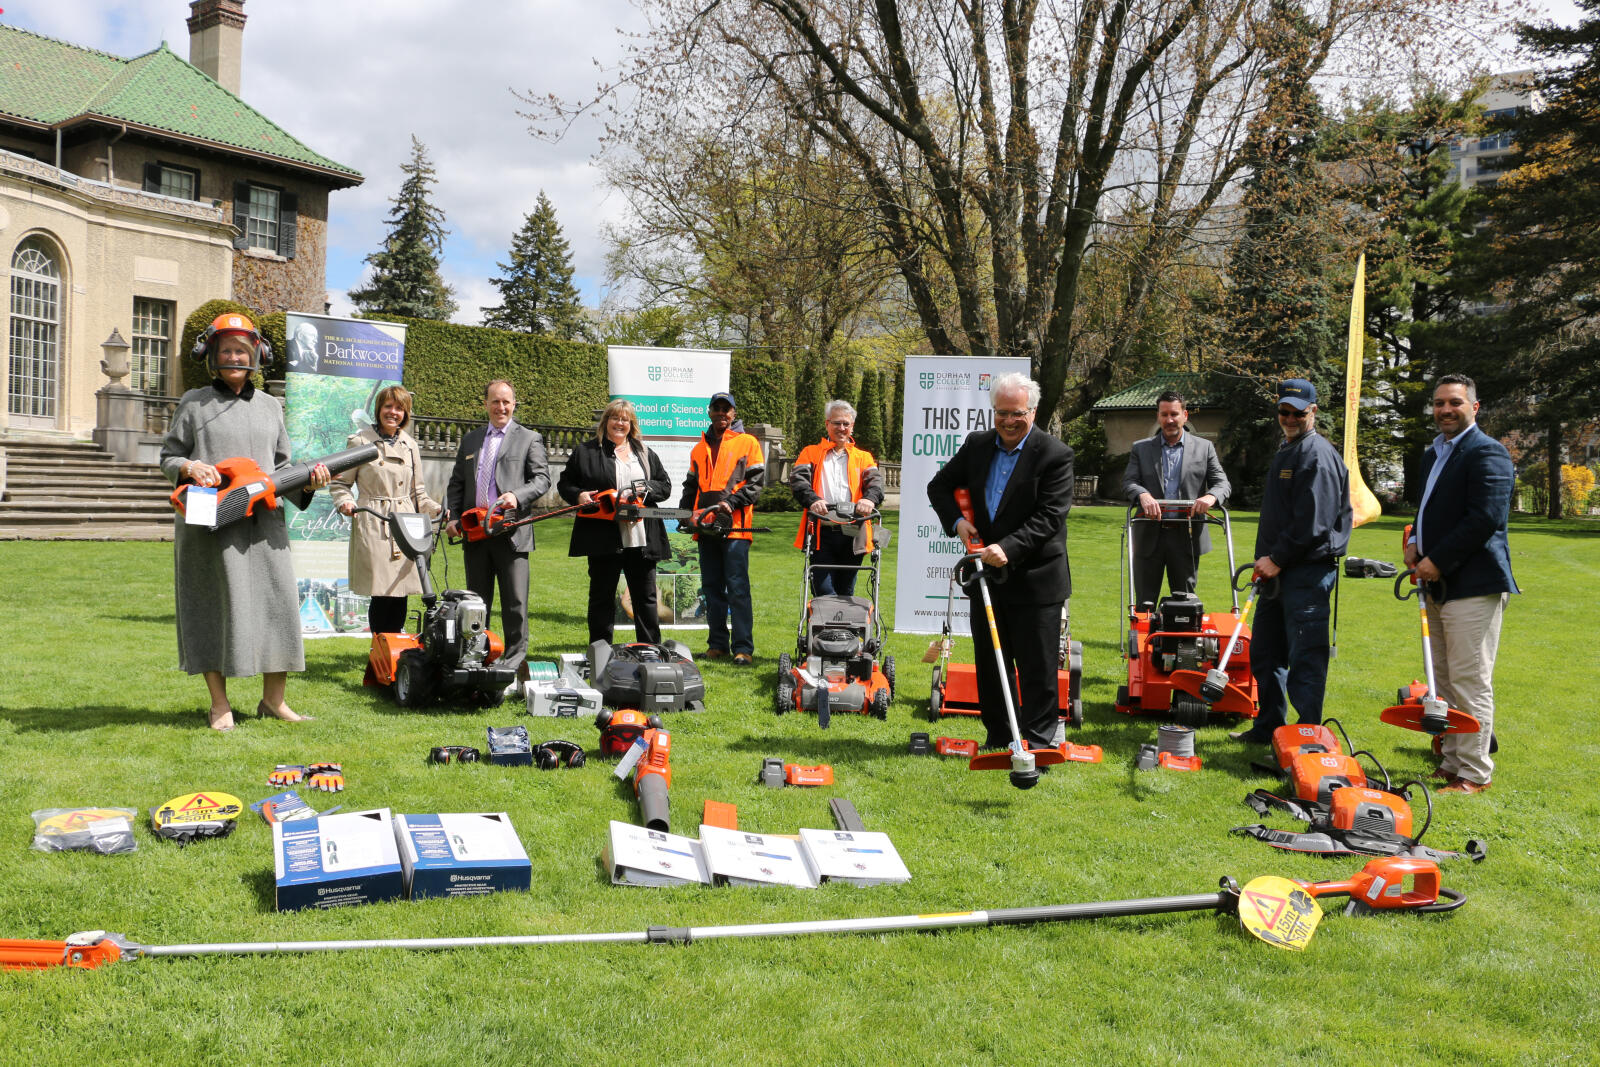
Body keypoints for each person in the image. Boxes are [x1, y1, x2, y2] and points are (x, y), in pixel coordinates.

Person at [160, 312, 332, 731]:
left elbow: (283, 467)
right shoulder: (194, 403)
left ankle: (274, 701)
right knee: (211, 606)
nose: (235, 357)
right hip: (209, 525)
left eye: (242, 350)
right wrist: (189, 466)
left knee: (278, 607)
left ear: (256, 355)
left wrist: (309, 482)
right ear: (213, 357)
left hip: (264, 526)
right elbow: (168, 456)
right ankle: (219, 705)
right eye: (227, 351)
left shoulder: (272, 406)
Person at [928, 373, 1074, 750]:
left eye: (1017, 414)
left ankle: (1040, 743)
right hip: (986, 578)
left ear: (1034, 411)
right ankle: (999, 736)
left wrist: (1008, 546)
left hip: (1036, 578)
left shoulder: (1055, 454)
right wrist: (958, 522)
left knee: (1037, 666)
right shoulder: (978, 445)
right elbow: (938, 486)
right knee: (992, 664)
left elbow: (1050, 516)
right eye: (1001, 413)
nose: (1009, 422)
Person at [1404, 374, 1517, 794]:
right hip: (1435, 583)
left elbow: (1485, 519)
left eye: (1454, 402)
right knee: (1444, 681)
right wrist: (1415, 542)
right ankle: (1451, 762)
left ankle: (1474, 773)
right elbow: (1426, 508)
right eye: (1438, 403)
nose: (1445, 410)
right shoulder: (1433, 454)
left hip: (1473, 584)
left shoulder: (1489, 453)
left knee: (1470, 681)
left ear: (1475, 406)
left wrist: (1437, 559)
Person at [1231, 379, 1352, 744]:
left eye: (1298, 413)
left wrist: (1277, 559)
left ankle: (1306, 738)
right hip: (1275, 573)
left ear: (1313, 411)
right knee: (1266, 654)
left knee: (1306, 660)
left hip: (1307, 574)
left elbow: (1313, 524)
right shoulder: (1288, 448)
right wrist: (1268, 563)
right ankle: (1269, 727)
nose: (1289, 418)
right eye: (1283, 412)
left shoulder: (1316, 454)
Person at [445, 379, 550, 694]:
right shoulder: (471, 440)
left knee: (515, 604)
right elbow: (456, 484)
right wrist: (452, 517)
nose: (501, 407)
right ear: (486, 404)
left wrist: (517, 496)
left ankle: (513, 666)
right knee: (477, 603)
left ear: (514, 404)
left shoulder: (529, 439)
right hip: (475, 534)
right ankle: (479, 658)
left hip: (511, 533)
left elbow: (542, 479)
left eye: (506, 402)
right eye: (495, 401)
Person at [557, 398, 672, 646]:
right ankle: (600, 650)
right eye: (615, 418)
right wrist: (579, 495)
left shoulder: (644, 453)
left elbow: (665, 486)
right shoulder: (585, 452)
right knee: (601, 596)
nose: (619, 423)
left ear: (631, 424)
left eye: (625, 419)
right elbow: (565, 483)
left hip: (640, 536)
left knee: (646, 597)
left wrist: (642, 490)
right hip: (603, 535)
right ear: (605, 421)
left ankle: (649, 649)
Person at [328, 385, 441, 635]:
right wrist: (345, 502)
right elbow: (340, 483)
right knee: (383, 593)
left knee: (400, 593)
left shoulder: (410, 445)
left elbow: (418, 493)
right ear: (379, 409)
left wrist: (437, 509)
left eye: (399, 408)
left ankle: (395, 655)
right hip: (374, 522)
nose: (393, 412)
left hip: (406, 525)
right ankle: (380, 653)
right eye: (388, 406)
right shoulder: (360, 441)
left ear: (406, 413)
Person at [1120, 390, 1231, 605]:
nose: (1169, 420)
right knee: (1144, 602)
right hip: (1148, 535)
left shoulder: (1204, 448)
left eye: (1174, 414)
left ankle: (1179, 640)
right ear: (1158, 416)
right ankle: (1144, 638)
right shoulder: (1141, 449)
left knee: (1185, 603)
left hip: (1186, 536)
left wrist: (1211, 497)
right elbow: (1128, 482)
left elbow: (1222, 483)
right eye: (1164, 414)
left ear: (1185, 415)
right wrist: (1142, 494)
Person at [678, 391, 765, 665]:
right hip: (705, 528)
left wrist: (732, 502)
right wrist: (684, 515)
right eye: (717, 408)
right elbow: (691, 487)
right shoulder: (699, 447)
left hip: (736, 529)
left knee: (737, 588)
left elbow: (756, 483)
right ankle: (717, 644)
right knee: (712, 588)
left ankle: (743, 648)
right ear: (709, 412)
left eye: (726, 409)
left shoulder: (748, 443)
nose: (721, 414)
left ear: (734, 414)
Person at [789, 399, 885, 597]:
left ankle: (843, 628)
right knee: (823, 590)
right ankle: (825, 625)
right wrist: (813, 500)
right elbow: (798, 482)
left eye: (846, 424)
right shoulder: (811, 452)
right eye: (836, 423)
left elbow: (876, 484)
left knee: (846, 591)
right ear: (827, 424)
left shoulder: (863, 457)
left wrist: (869, 499)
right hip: (821, 532)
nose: (841, 428)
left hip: (852, 532)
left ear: (852, 427)